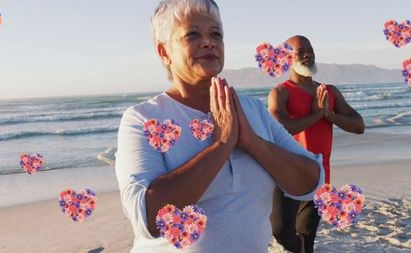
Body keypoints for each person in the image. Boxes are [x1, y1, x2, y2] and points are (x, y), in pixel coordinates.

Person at [115, 2, 326, 253]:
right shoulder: (143, 119)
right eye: (192, 34)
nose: (209, 42)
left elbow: (312, 182)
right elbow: (147, 219)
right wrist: (222, 145)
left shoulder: (252, 110)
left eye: (216, 34)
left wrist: (253, 143)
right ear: (164, 52)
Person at [268, 35, 365, 253]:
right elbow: (278, 128)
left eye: (310, 49)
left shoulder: (328, 91)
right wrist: (315, 116)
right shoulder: (280, 92)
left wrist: (329, 115)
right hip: (287, 174)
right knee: (281, 230)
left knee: (306, 236)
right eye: (300, 50)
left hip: (319, 177)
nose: (307, 54)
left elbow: (359, 126)